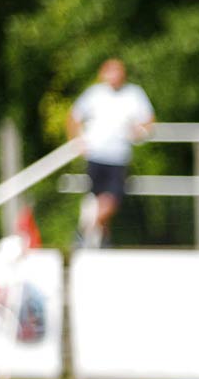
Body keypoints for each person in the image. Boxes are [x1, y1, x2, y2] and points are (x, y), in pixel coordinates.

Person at [65, 58, 154, 249]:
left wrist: (140, 132)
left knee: (112, 199)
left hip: (118, 155)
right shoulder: (94, 94)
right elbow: (73, 116)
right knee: (99, 199)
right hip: (96, 154)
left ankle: (85, 230)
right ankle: (104, 242)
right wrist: (76, 141)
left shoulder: (134, 94)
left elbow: (149, 119)